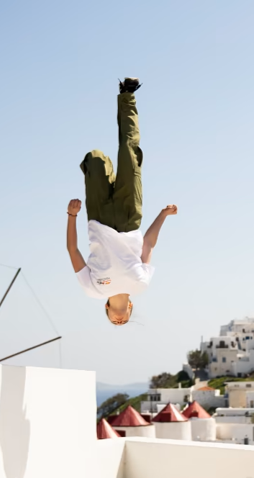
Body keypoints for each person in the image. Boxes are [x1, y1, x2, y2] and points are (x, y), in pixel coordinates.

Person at [66, 78, 177, 325]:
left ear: (106, 308)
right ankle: (127, 94)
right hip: (129, 218)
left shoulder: (93, 290)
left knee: (94, 158)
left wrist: (71, 216)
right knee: (129, 152)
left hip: (99, 217)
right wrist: (162, 215)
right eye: (124, 320)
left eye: (113, 320)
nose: (119, 320)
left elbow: (72, 251)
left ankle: (103, 168)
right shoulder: (141, 284)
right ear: (130, 307)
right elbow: (148, 244)